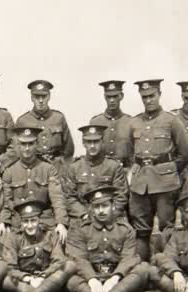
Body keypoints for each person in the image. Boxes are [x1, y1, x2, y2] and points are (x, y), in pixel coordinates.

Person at [127, 79, 188, 261]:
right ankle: (142, 269)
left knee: (166, 228)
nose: (148, 100)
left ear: (159, 94)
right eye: (144, 97)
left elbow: (184, 153)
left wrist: (168, 170)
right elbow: (131, 152)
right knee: (141, 230)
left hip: (165, 185)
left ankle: (166, 268)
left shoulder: (171, 121)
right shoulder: (134, 122)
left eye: (152, 95)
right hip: (140, 185)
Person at [66, 186, 149, 292]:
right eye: (97, 207)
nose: (101, 211)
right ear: (91, 209)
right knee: (70, 279)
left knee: (143, 269)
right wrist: (92, 279)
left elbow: (128, 258)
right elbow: (79, 258)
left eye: (105, 206)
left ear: (113, 206)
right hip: (92, 276)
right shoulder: (81, 229)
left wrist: (115, 278)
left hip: (117, 277)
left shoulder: (125, 229)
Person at [0, 127, 68, 243]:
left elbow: (57, 199)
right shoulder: (9, 171)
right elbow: (6, 202)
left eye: (31, 144)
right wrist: (3, 222)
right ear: (18, 145)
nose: (27, 148)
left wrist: (61, 223)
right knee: (4, 240)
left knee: (59, 239)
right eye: (23, 144)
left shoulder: (48, 169)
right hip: (19, 222)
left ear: (37, 144)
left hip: (44, 221)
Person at [0, 199, 76, 292]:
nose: (30, 225)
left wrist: (43, 276)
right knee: (6, 281)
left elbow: (58, 261)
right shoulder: (13, 238)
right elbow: (9, 267)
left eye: (33, 220)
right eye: (26, 221)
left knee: (69, 265)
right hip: (25, 281)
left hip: (47, 278)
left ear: (39, 220)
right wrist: (28, 278)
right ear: (21, 222)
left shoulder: (50, 235)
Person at [64, 125, 128, 229]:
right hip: (83, 218)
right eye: (89, 142)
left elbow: (121, 195)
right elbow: (69, 197)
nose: (92, 146)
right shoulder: (74, 167)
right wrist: (84, 214)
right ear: (84, 143)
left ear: (102, 142)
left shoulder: (113, 166)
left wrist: (109, 215)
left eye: (96, 141)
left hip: (109, 218)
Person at [16, 80, 74, 172]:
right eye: (36, 97)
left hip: (56, 168)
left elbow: (69, 149)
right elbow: (17, 150)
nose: (41, 100)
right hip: (33, 169)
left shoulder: (59, 118)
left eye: (44, 96)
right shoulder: (23, 121)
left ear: (49, 96)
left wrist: (63, 168)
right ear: (31, 98)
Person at [144, 190, 188, 292]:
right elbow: (165, 256)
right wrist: (176, 273)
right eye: (187, 211)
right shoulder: (179, 235)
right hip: (182, 281)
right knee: (151, 271)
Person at [89, 80, 133, 174]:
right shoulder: (96, 122)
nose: (112, 100)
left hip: (125, 172)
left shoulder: (131, 122)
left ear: (121, 96)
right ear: (105, 97)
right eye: (109, 97)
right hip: (101, 172)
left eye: (115, 96)